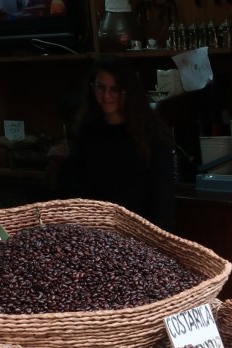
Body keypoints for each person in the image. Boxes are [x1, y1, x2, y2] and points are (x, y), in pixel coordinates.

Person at [58, 55, 175, 230]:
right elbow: (75, 192)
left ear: (128, 91)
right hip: (95, 234)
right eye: (101, 88)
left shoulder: (151, 136)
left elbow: (163, 202)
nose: (106, 96)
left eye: (115, 89)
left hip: (139, 236)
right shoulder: (87, 132)